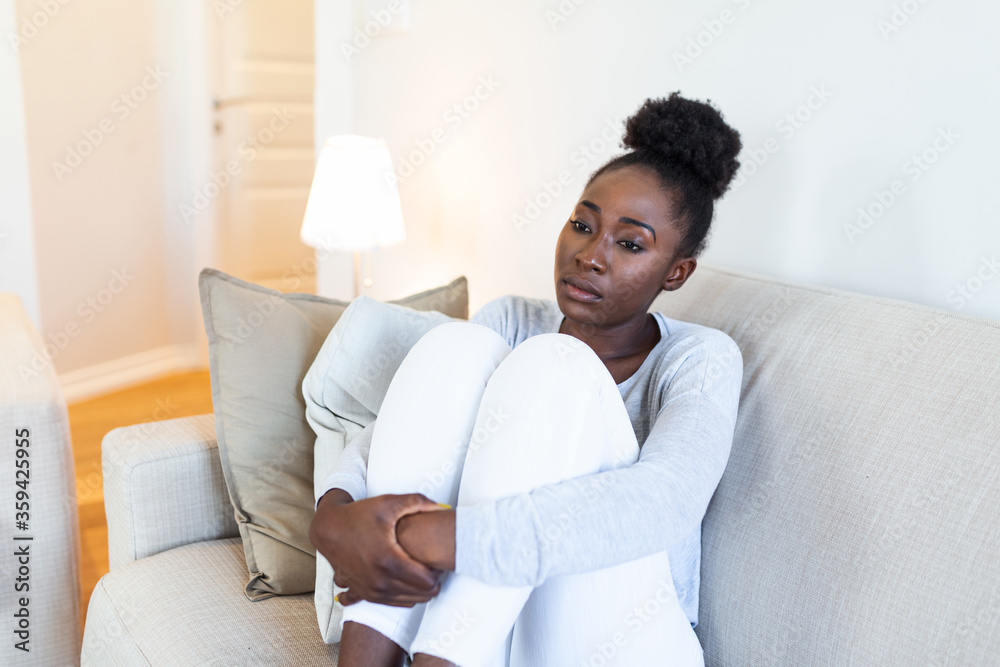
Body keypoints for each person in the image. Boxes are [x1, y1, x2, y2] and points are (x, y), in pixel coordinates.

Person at [309, 91, 744, 667]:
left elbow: (665, 504)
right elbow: (397, 435)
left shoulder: (700, 357)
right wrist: (335, 520)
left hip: (617, 636)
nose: (591, 255)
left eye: (630, 244)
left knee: (554, 363)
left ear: (676, 273)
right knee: (454, 345)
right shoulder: (509, 321)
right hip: (496, 630)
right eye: (583, 225)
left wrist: (431, 537)